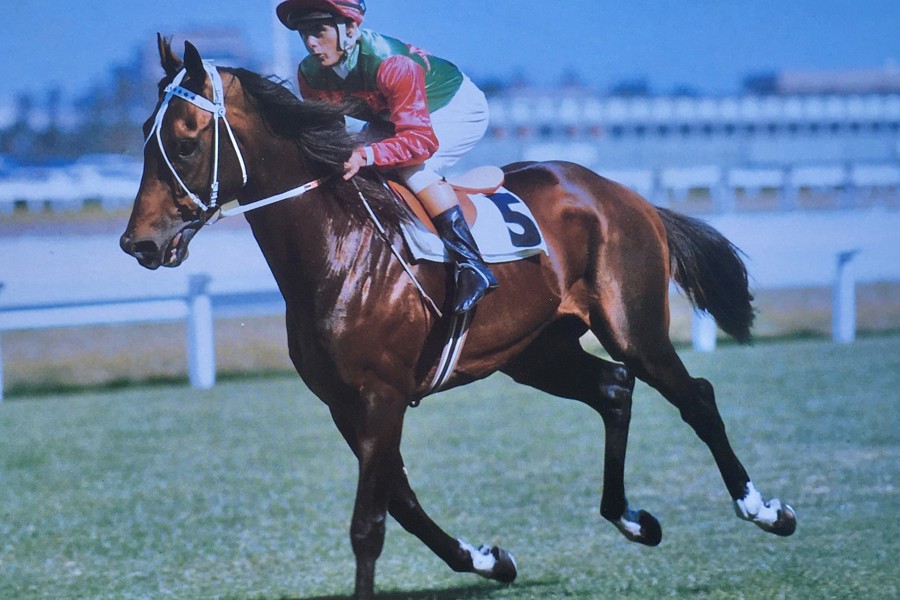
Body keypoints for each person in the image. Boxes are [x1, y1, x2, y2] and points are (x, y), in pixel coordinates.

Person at [276, 0, 497, 314]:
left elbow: (420, 141)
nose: (311, 42)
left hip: (452, 109)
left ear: (350, 28)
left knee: (412, 169)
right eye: (303, 33)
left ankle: (471, 264)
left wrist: (366, 155)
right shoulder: (310, 73)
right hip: (393, 116)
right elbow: (330, 135)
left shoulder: (392, 64)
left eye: (319, 30)